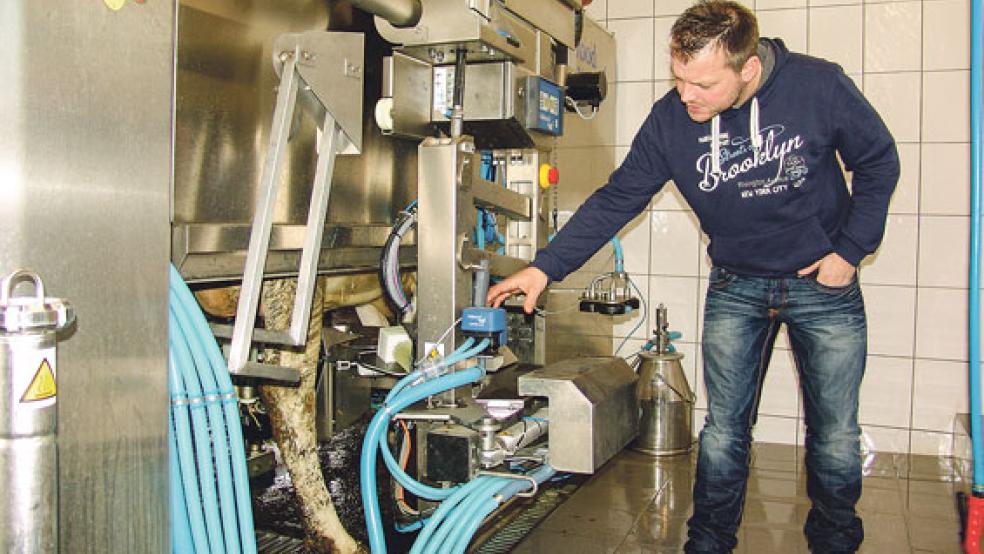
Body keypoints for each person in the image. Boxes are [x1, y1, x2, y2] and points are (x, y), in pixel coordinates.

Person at [487, 1, 900, 552]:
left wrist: (849, 252)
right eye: (679, 77)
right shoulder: (670, 119)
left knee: (835, 437)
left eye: (702, 83)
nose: (686, 95)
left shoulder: (818, 86)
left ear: (747, 69)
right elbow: (617, 198)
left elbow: (879, 160)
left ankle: (834, 543)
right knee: (725, 433)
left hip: (821, 286)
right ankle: (708, 544)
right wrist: (545, 266)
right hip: (738, 285)